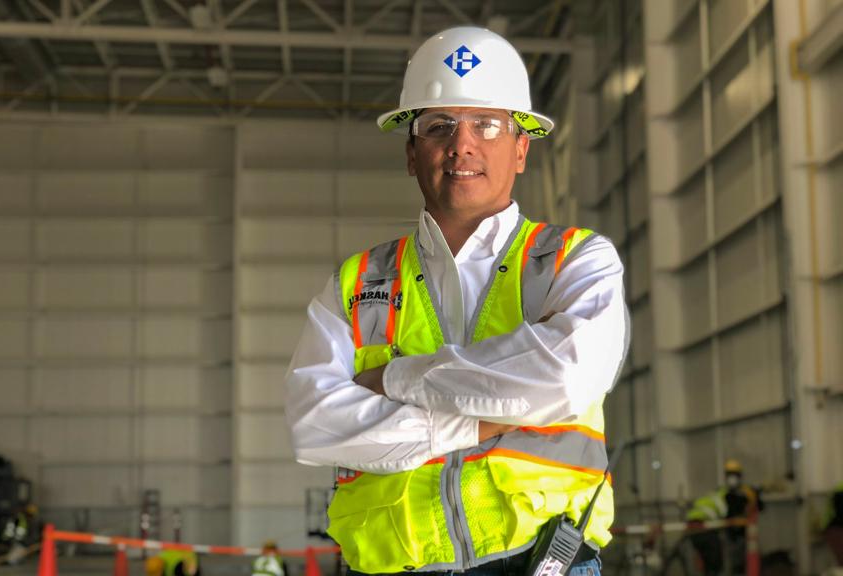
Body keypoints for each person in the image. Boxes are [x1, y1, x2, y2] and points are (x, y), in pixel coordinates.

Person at [284, 26, 629, 576]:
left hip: (543, 562)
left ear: (521, 149)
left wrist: (398, 380)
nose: (462, 143)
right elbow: (314, 424)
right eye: (438, 125)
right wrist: (479, 422)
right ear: (411, 152)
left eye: (488, 124)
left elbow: (568, 377)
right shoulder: (355, 283)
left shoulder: (576, 260)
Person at [686, 459, 763, 575]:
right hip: (704, 529)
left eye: (734, 474)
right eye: (729, 474)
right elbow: (732, 514)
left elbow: (757, 507)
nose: (732, 478)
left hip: (697, 528)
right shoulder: (728, 495)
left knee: (713, 564)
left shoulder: (735, 492)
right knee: (716, 564)